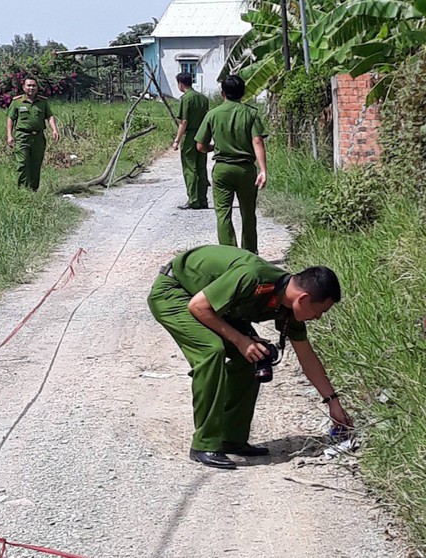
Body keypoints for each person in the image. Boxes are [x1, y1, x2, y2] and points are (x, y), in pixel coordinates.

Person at [147, 245, 353, 470]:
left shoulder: (289, 306)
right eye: (319, 311)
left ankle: (231, 439)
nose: (318, 318)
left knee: (253, 355)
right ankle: (204, 444)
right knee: (211, 351)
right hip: (175, 292)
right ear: (303, 299)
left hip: (214, 307)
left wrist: (333, 402)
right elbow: (198, 306)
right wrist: (241, 340)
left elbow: (307, 356)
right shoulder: (252, 277)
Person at [195, 75, 267, 254]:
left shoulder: (213, 114)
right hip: (246, 170)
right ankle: (250, 253)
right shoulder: (250, 113)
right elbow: (257, 141)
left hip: (222, 169)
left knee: (223, 214)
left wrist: (215, 147)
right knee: (248, 214)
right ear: (243, 93)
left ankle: (230, 255)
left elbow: (200, 146)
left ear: (222, 93)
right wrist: (263, 170)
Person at [6, 76, 59, 191]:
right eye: (29, 85)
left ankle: (33, 190)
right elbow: (10, 118)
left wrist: (54, 129)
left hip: (38, 138)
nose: (31, 88)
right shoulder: (17, 102)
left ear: (37, 87)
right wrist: (9, 136)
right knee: (23, 164)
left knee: (36, 165)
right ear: (24, 87)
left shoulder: (43, 102)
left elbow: (49, 116)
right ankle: (23, 190)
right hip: (22, 137)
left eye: (34, 85)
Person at [172, 72, 210, 210]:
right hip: (203, 135)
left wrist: (177, 140)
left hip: (190, 136)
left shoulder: (186, 99)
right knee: (201, 166)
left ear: (181, 84)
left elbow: (184, 121)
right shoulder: (203, 98)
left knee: (190, 167)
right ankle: (203, 199)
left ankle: (193, 199)